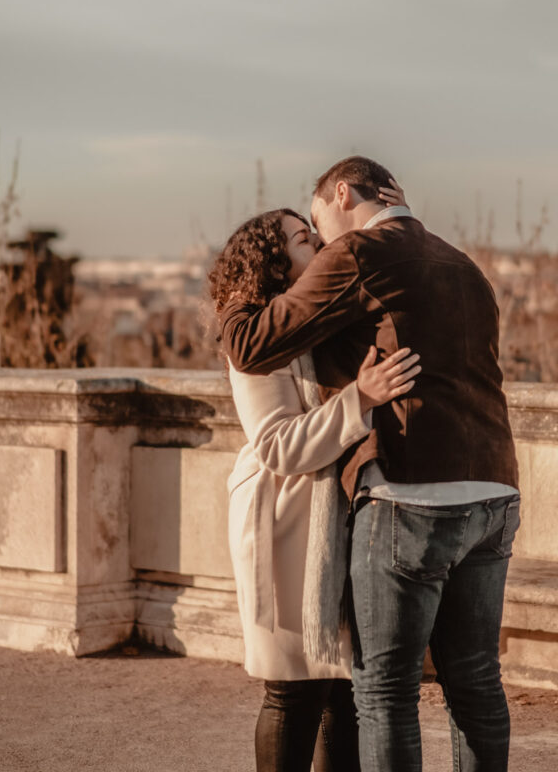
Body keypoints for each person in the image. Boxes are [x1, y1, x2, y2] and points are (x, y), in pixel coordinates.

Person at [220, 156, 520, 772]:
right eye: (304, 237)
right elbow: (259, 377)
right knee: (472, 681)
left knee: (379, 691)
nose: (322, 238)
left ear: (340, 192)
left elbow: (251, 341)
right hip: (492, 490)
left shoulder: (359, 253)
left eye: (314, 224)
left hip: (408, 497)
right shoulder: (463, 266)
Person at [208, 203, 420, 772]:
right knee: (293, 691)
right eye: (305, 240)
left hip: (334, 515)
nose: (320, 248)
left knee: (343, 693)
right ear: (274, 261)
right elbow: (276, 443)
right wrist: (362, 398)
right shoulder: (257, 336)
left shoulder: (317, 317)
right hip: (281, 519)